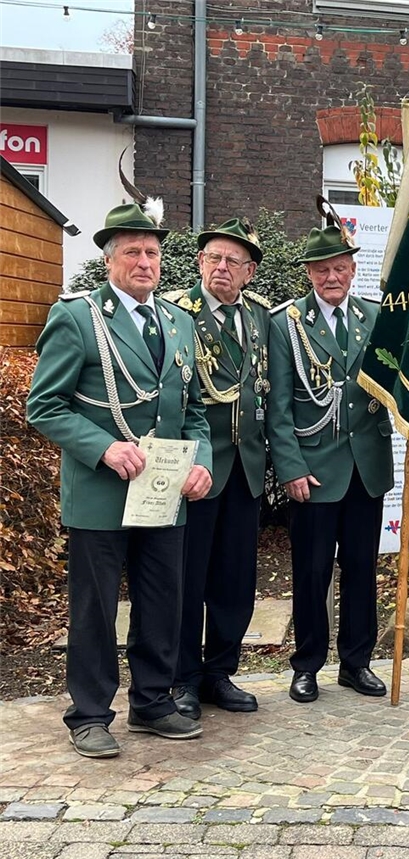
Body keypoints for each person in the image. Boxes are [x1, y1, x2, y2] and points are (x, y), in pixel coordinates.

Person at [27, 200, 213, 758]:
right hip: (102, 493)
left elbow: (194, 408)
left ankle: (152, 702)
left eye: (153, 252)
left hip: (163, 494)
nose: (144, 261)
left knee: (163, 600)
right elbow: (45, 406)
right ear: (109, 260)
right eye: (132, 251)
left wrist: (200, 459)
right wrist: (104, 447)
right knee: (95, 607)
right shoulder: (78, 316)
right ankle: (88, 714)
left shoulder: (179, 321)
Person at [267, 210, 394, 704]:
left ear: (352, 269)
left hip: (367, 468)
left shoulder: (374, 317)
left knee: (362, 570)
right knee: (312, 573)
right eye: (322, 270)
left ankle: (356, 663)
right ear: (309, 274)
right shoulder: (287, 323)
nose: (332, 277)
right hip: (315, 471)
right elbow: (278, 405)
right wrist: (291, 468)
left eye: (340, 267)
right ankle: (307, 665)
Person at [163, 218, 271, 720]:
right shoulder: (176, 313)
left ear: (249, 273)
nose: (221, 269)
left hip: (246, 467)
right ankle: (180, 678)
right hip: (196, 472)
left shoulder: (259, 318)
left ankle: (219, 672)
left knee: (234, 580)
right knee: (186, 578)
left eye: (232, 262)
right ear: (199, 263)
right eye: (213, 258)